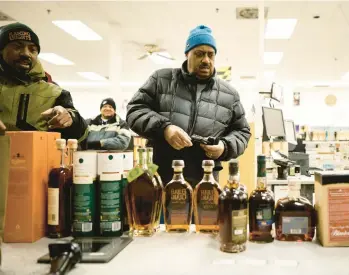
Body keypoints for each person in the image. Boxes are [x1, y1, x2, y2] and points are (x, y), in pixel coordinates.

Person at [126, 25, 251, 186]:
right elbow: (134, 110)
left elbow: (242, 132)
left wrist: (224, 147)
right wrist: (165, 128)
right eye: (199, 54)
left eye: (210, 55)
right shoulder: (161, 80)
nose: (206, 60)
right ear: (187, 54)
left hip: (206, 181)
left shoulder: (229, 94)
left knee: (203, 213)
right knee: (158, 212)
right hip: (161, 176)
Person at [0, 22, 88, 141]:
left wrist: (70, 119)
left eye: (33, 50)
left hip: (34, 158)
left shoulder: (55, 93)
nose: (26, 53)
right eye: (17, 46)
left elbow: (81, 135)